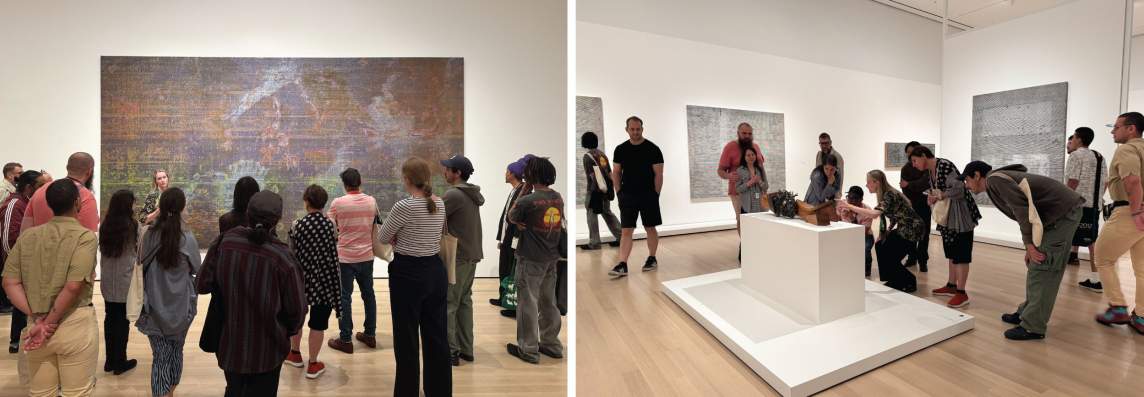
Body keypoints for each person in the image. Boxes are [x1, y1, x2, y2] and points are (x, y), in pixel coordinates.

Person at [196, 191, 306, 396]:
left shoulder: (225, 242)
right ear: (277, 220)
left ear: (248, 214)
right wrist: (286, 330)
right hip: (268, 352)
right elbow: (297, 312)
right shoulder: (283, 258)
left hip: (230, 346)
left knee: (234, 390)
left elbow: (202, 285)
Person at [962, 161, 1084, 340]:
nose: (966, 185)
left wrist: (1029, 245)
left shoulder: (995, 181)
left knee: (1044, 266)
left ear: (977, 175)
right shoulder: (997, 181)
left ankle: (1033, 326)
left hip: (1062, 215)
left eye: (967, 180)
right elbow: (1029, 212)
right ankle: (1026, 312)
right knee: (1036, 265)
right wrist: (1030, 245)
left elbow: (1022, 212)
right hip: (1053, 216)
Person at [2, 179, 99, 395]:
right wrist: (49, 323)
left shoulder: (28, 236)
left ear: (48, 203)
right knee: (77, 392)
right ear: (77, 203)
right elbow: (73, 286)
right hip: (74, 323)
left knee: (41, 392)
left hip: (35, 326)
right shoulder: (85, 237)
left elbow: (9, 282)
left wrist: (37, 319)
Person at [376, 157, 450, 396]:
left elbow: (383, 237)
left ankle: (407, 391)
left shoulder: (404, 206)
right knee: (437, 336)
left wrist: (399, 237)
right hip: (435, 272)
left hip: (407, 274)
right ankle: (439, 391)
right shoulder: (439, 203)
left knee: (406, 338)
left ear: (407, 179)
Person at [136, 188, 200, 397]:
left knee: (160, 357)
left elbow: (140, 264)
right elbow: (196, 268)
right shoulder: (187, 237)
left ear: (161, 206)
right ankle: (170, 391)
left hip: (153, 306)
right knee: (176, 351)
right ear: (182, 207)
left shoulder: (149, 234)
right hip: (181, 307)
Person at [506, 156, 564, 365]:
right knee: (548, 302)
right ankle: (551, 344)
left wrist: (525, 188)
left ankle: (528, 348)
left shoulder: (527, 201)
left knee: (527, 303)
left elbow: (512, 216)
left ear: (530, 176)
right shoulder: (557, 197)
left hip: (530, 258)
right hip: (551, 258)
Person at [909, 146, 981, 308]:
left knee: (961, 253)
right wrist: (933, 196)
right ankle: (951, 285)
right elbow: (942, 190)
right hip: (949, 216)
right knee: (952, 251)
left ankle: (961, 292)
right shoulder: (931, 170)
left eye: (914, 160)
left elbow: (959, 189)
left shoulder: (944, 166)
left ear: (923, 155)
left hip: (961, 216)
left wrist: (940, 195)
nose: (914, 164)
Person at [1093, 112, 1144, 334]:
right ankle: (1141, 317)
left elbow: (1132, 181)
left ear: (1131, 129)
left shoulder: (1126, 149)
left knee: (1103, 258)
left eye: (1116, 127)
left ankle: (1117, 308)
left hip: (1130, 211)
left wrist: (1136, 211)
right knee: (1142, 269)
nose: (1113, 131)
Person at [285, 185, 341, 379]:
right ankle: (313, 364)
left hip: (301, 280)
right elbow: (333, 244)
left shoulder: (297, 225)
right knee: (318, 323)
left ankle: (294, 354)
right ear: (323, 203)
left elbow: (291, 253)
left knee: (297, 317)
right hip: (324, 280)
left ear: (306, 201)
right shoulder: (331, 225)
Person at [836, 170, 923, 292]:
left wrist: (849, 206)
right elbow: (895, 215)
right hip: (905, 227)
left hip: (912, 229)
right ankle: (894, 278)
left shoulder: (889, 194)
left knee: (890, 255)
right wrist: (887, 231)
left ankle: (909, 281)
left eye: (868, 182)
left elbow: (874, 214)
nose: (866, 185)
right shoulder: (885, 195)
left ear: (876, 182)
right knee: (880, 245)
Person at [326, 168, 378, 354]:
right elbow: (375, 223)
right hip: (367, 256)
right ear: (359, 182)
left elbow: (329, 226)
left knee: (344, 297)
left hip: (345, 258)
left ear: (345, 184)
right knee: (368, 294)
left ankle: (346, 339)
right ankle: (370, 334)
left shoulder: (338, 203)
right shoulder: (371, 201)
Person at [440, 154, 484, 366]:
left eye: (448, 169)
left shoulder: (454, 194)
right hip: (471, 254)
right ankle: (466, 349)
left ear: (457, 173)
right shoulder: (470, 193)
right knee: (464, 301)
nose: (445, 172)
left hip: (458, 257)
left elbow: (434, 216)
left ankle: (451, 351)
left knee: (450, 302)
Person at [609, 116, 665, 277]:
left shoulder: (653, 149)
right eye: (632, 129)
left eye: (638, 129)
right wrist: (619, 192)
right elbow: (616, 172)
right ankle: (622, 264)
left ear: (642, 129)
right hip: (627, 195)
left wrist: (655, 194)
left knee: (650, 227)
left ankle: (652, 258)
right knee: (626, 230)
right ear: (627, 130)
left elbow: (659, 174)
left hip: (648, 195)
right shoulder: (620, 149)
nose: (635, 132)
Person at [1, 170, 46, 354]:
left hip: (28, 265)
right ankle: (17, 341)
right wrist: (19, 265)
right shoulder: (15, 204)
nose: (44, 189)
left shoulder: (28, 202)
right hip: (20, 267)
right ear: (29, 187)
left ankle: (22, 339)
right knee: (21, 304)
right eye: (40, 185)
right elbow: (7, 239)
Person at [97, 190, 140, 375]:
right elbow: (139, 250)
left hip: (108, 279)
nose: (135, 206)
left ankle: (110, 361)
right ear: (127, 205)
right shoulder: (132, 225)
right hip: (125, 279)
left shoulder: (105, 225)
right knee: (122, 320)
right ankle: (120, 361)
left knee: (110, 318)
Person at [1064, 127, 1108, 292]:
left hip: (1077, 205)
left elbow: (1073, 182)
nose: (1072, 141)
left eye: (1074, 137)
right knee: (1092, 242)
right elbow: (1106, 182)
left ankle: (1054, 275)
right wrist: (1097, 198)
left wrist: (1063, 203)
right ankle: (1096, 280)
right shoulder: (1099, 156)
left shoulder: (1076, 156)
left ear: (1079, 139)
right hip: (1094, 206)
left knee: (1064, 237)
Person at [492, 155, 533, 318]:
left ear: (512, 174)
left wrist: (511, 239)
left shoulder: (523, 192)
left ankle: (511, 304)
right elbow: (506, 217)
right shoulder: (516, 191)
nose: (505, 174)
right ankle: (503, 298)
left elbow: (515, 218)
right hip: (507, 238)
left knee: (510, 269)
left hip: (513, 239)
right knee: (504, 267)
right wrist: (501, 238)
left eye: (507, 171)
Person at [22, 152, 98, 232]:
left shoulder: (39, 191)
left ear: (67, 167)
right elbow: (88, 235)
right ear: (89, 172)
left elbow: (25, 232)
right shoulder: (86, 196)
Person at [579, 132, 622, 250]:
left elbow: (592, 175)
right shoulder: (602, 155)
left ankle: (594, 242)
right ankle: (622, 237)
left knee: (591, 214)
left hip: (595, 190)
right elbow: (609, 172)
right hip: (606, 189)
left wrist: (594, 191)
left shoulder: (587, 156)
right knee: (607, 213)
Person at [719, 123, 765, 230]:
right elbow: (720, 170)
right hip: (738, 192)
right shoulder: (730, 147)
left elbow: (761, 168)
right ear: (738, 133)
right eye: (744, 133)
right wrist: (729, 175)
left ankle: (755, 240)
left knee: (759, 219)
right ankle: (744, 241)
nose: (747, 136)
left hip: (757, 191)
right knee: (742, 220)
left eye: (750, 133)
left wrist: (764, 187)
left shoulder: (756, 147)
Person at [899, 141, 932, 272]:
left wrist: (910, 184)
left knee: (925, 233)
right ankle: (912, 258)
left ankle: (923, 260)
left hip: (924, 204)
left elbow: (925, 183)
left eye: (912, 153)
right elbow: (904, 188)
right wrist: (912, 187)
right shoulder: (905, 169)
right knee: (911, 233)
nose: (909, 155)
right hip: (911, 204)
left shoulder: (926, 168)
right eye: (908, 153)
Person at [837, 186, 875, 277]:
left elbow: (863, 232)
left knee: (865, 248)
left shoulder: (867, 211)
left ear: (861, 199)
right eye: (849, 198)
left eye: (855, 198)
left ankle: (866, 269)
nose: (852, 201)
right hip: (845, 233)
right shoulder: (842, 204)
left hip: (865, 235)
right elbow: (836, 219)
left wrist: (852, 218)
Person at [735, 145, 768, 214]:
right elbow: (738, 189)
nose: (751, 157)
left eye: (753, 154)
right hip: (747, 206)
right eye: (748, 155)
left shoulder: (760, 169)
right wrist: (750, 183)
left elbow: (766, 187)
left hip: (760, 205)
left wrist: (759, 181)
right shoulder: (739, 171)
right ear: (744, 157)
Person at [816, 133, 844, 198]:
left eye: (826, 143)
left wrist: (838, 196)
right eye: (821, 143)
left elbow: (840, 177)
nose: (824, 146)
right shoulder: (819, 154)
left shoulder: (837, 156)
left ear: (830, 142)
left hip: (832, 193)